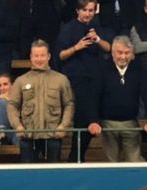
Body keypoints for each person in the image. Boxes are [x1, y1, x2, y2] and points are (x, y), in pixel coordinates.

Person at [87, 36, 147, 162]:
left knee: (134, 162)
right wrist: (93, 121)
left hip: (131, 123)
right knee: (111, 165)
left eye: (127, 53)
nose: (123, 57)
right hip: (107, 124)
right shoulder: (102, 69)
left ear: (132, 54)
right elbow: (93, 96)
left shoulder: (138, 69)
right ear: (112, 53)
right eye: (120, 53)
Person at [57, 0, 111, 162]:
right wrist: (76, 47)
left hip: (97, 78)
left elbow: (109, 48)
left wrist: (97, 39)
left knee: (92, 119)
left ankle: (76, 157)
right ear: (78, 11)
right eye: (85, 10)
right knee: (84, 119)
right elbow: (60, 55)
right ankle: (75, 157)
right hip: (78, 79)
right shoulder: (68, 29)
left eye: (91, 10)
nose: (88, 14)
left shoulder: (96, 28)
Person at [7, 39, 74, 163]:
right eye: (36, 55)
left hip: (53, 135)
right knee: (28, 172)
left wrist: (63, 126)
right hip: (28, 136)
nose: (39, 59)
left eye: (42, 55)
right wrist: (17, 125)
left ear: (48, 56)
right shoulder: (21, 81)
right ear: (31, 57)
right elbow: (12, 105)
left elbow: (69, 104)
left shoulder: (61, 80)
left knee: (53, 172)